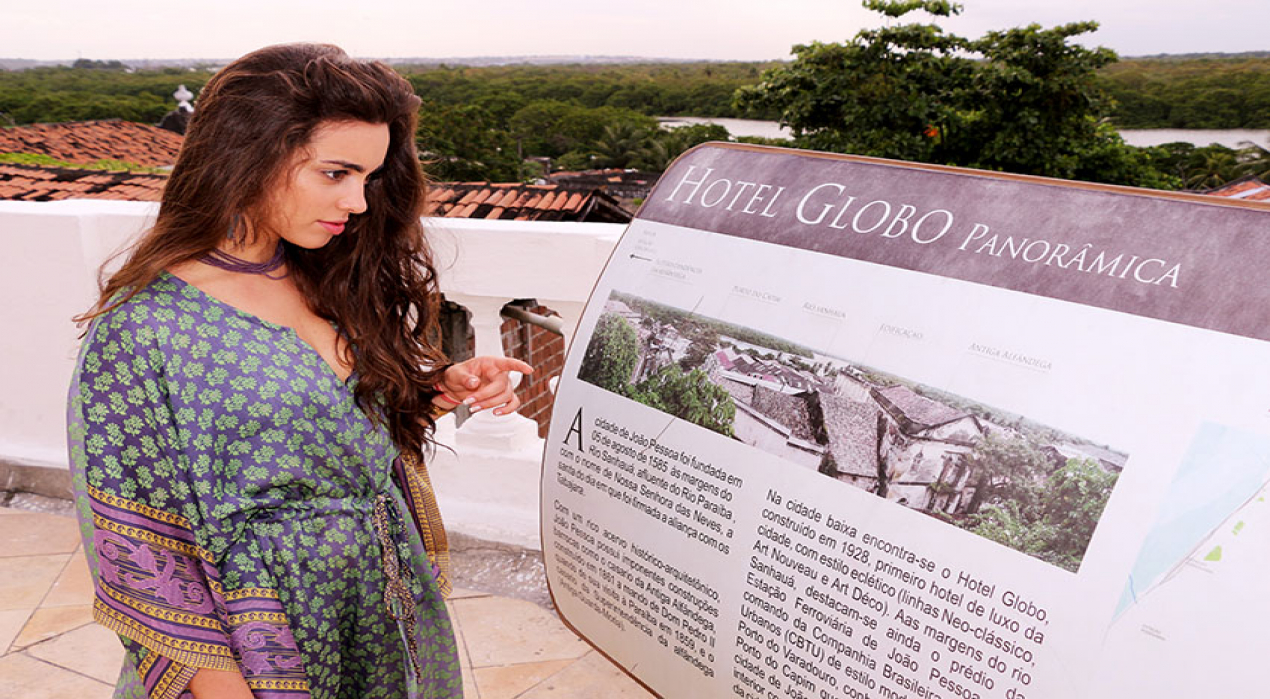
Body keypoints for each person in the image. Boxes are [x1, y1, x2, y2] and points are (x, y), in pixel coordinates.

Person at [66, 43, 531, 699]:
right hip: (265, 634)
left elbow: (325, 432)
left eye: (368, 177)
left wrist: (434, 389)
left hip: (379, 604)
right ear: (248, 155)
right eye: (335, 173)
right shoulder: (146, 328)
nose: (359, 201)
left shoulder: (329, 276)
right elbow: (142, 550)